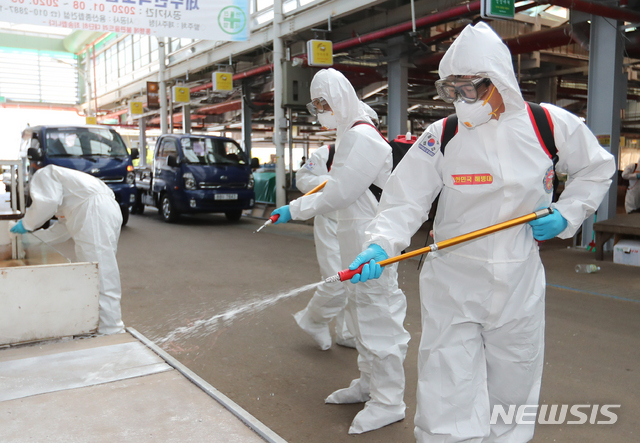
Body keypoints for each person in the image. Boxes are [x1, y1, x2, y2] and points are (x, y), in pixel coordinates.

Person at [349, 22, 616, 443]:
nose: (458, 99)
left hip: (519, 277)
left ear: (497, 83)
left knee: (516, 372)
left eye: (466, 88)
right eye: (449, 90)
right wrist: (380, 243)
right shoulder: (443, 134)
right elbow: (404, 200)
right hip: (453, 277)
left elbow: (597, 167)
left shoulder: (549, 125)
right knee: (446, 375)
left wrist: (567, 213)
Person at [271, 68, 410, 434]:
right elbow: (336, 186)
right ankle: (368, 385)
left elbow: (341, 191)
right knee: (362, 319)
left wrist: (295, 209)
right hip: (355, 242)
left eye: (323, 103)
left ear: (341, 99)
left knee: (380, 321)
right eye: (316, 104)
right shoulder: (349, 136)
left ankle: (388, 401)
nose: (320, 110)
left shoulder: (364, 137)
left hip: (373, 247)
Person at [10, 164, 125, 335]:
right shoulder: (71, 191)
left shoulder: (44, 174)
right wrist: (30, 240)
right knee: (94, 271)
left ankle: (111, 329)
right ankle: (97, 323)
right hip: (105, 209)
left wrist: (26, 224)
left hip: (95, 211)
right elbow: (62, 230)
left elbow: (46, 203)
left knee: (100, 273)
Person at [294, 144, 356, 350]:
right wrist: (329, 182)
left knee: (356, 280)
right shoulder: (327, 153)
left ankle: (347, 333)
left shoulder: (376, 150)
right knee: (336, 281)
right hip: (329, 222)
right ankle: (313, 320)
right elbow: (302, 178)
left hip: (359, 224)